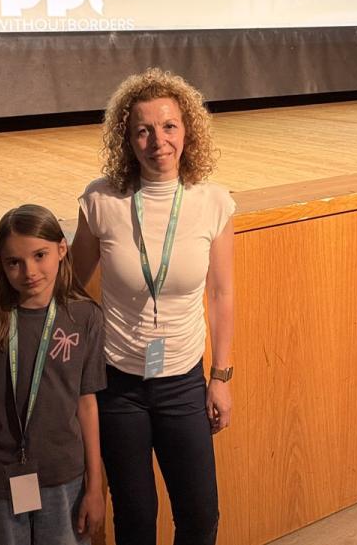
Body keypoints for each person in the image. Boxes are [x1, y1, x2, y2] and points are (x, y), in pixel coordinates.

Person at [72, 67, 235, 545]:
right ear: (127, 139)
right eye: (143, 130)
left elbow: (222, 295)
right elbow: (69, 287)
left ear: (187, 131)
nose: (157, 140)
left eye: (168, 126)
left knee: (200, 519)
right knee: (136, 523)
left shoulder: (213, 202)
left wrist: (220, 377)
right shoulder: (102, 200)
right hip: (118, 387)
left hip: (183, 383)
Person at [0, 204, 106, 545]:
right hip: (0, 482)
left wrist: (95, 486)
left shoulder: (85, 318)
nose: (29, 271)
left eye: (40, 255)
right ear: (0, 265)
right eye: (14, 262)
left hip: (64, 480)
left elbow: (87, 405)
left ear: (62, 249)